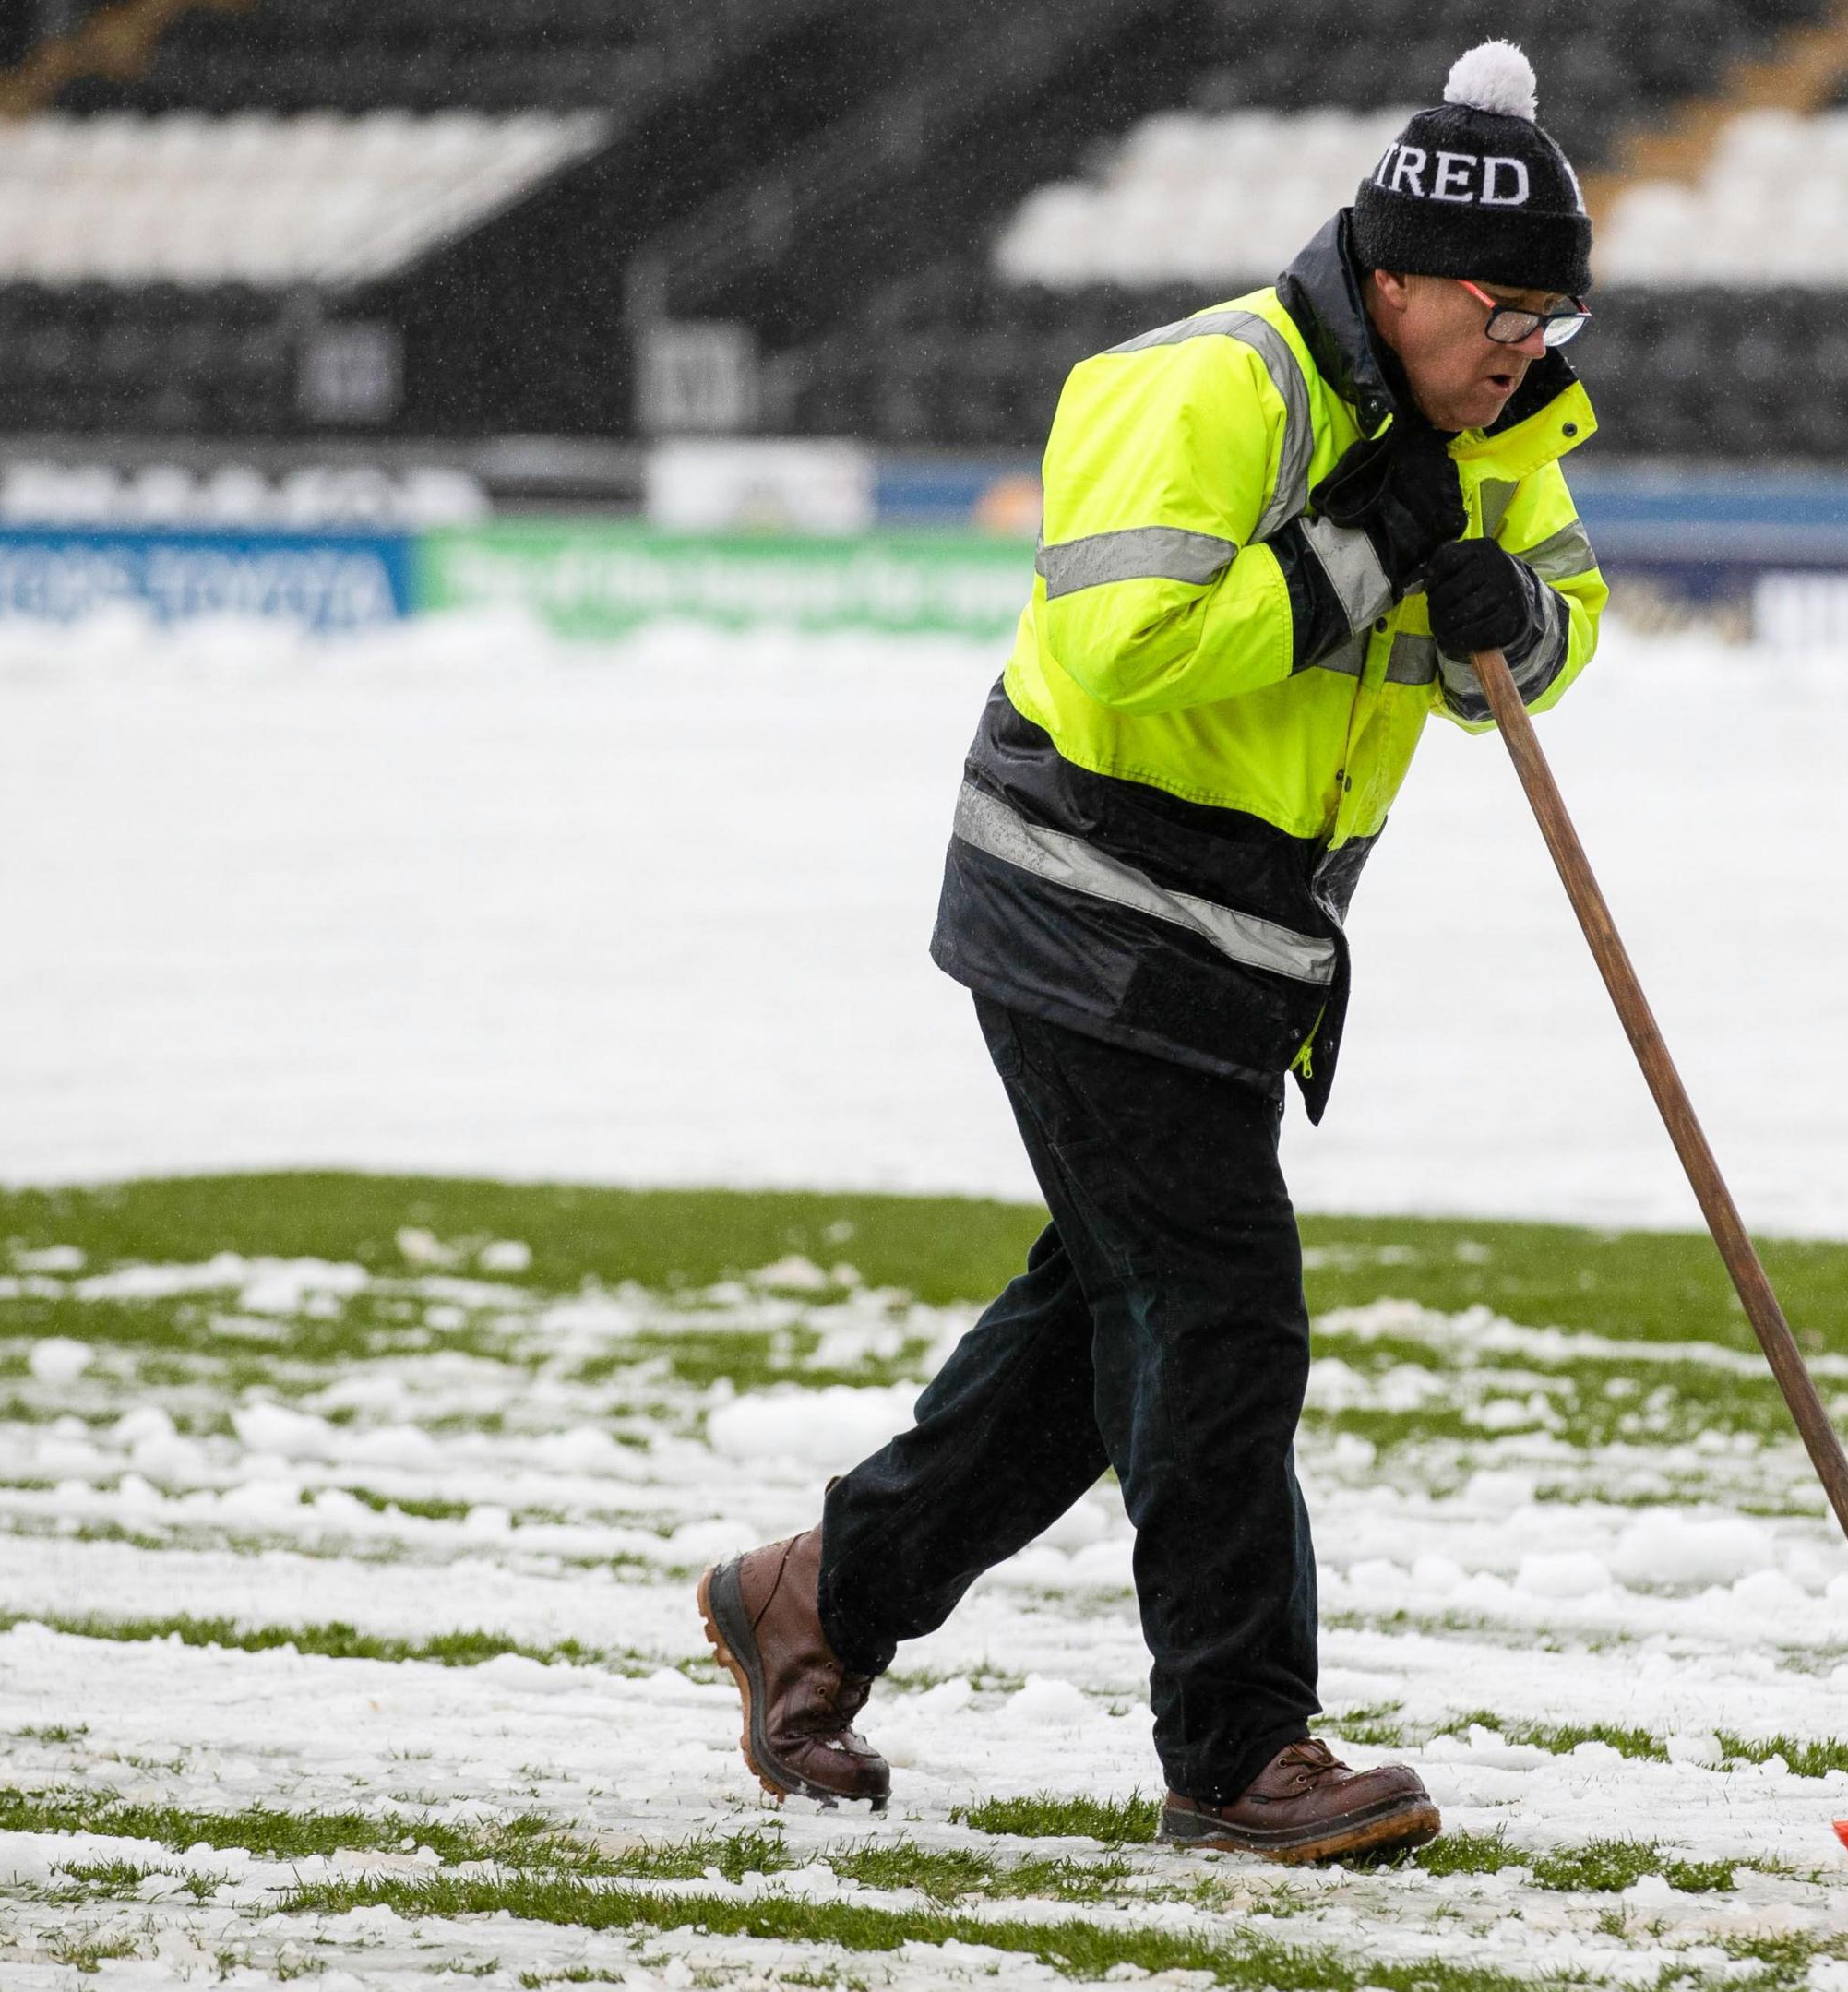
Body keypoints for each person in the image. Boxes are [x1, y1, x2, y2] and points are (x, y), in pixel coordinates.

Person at [697, 41, 1605, 1866]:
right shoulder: (1204, 387)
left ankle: (810, 1596)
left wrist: (1514, 615)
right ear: (1401, 276)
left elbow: (1545, 633)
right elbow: (1120, 642)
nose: (1525, 342)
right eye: (1500, 306)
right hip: (1083, 899)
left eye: (1552, 311)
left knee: (1100, 1329)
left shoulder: (1497, 429)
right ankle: (1239, 1753)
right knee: (1213, 1311)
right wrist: (1364, 555)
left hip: (1250, 939)